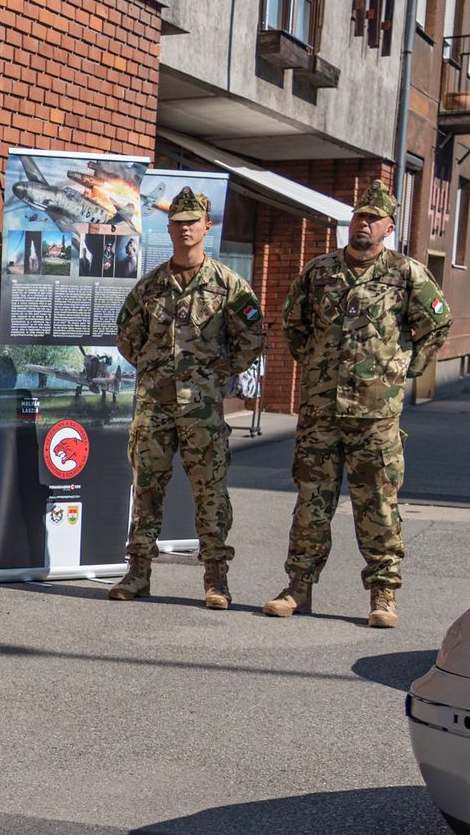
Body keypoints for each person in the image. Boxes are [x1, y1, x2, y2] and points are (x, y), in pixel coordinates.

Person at [264, 183, 451, 627]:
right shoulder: (318, 272)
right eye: (359, 216)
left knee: (378, 505)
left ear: (388, 227)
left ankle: (383, 594)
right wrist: (316, 367)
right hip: (321, 413)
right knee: (311, 503)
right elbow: (294, 324)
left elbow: (437, 325)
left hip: (376, 415)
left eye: (373, 218)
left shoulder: (406, 274)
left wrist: (402, 369)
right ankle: (298, 587)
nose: (363, 224)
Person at [106, 186, 263, 608]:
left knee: (210, 491)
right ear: (170, 228)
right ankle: (138, 572)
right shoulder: (150, 286)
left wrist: (216, 374)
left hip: (203, 410)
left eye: (192, 222)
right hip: (154, 406)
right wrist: (154, 368)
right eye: (177, 223)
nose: (184, 229)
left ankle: (216, 578)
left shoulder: (229, 285)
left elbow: (252, 339)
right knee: (146, 489)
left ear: (207, 226)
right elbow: (127, 337)